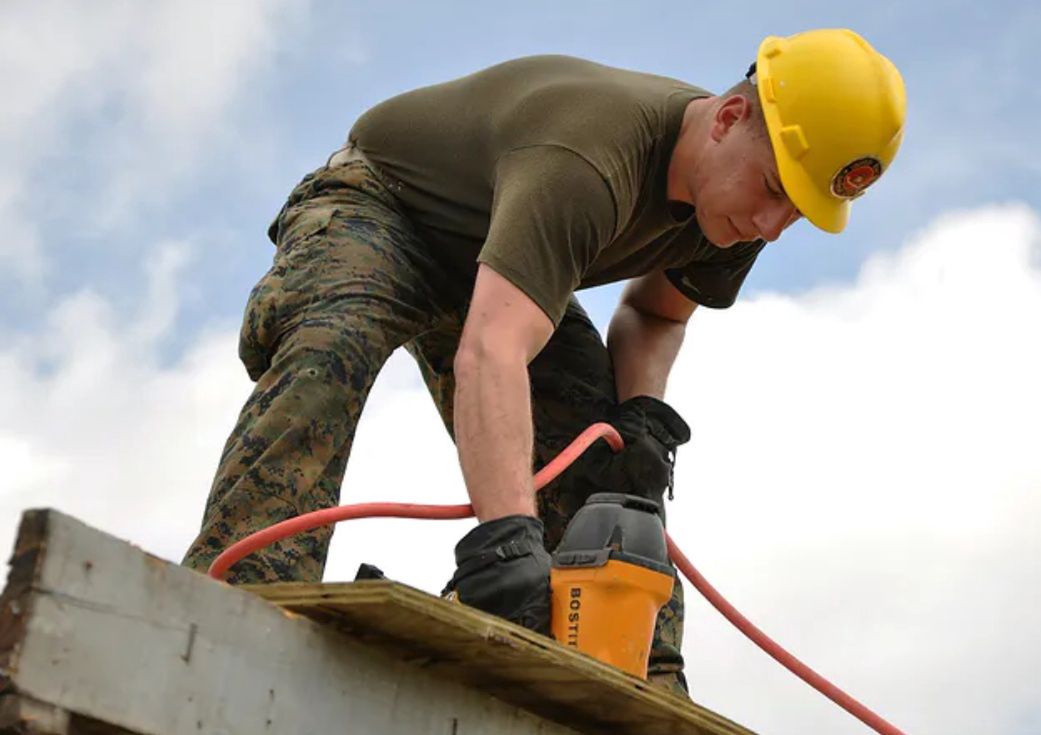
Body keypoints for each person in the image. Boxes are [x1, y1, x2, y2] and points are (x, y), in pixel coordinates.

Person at [182, 28, 906, 696]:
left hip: (500, 263)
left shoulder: (739, 208)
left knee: (611, 459)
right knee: (330, 351)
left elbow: (654, 313)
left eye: (798, 213)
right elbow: (491, 350)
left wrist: (641, 412)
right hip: (386, 208)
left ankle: (641, 672)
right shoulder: (588, 161)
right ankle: (240, 591)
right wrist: (505, 542)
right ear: (725, 120)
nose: (770, 226)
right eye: (774, 191)